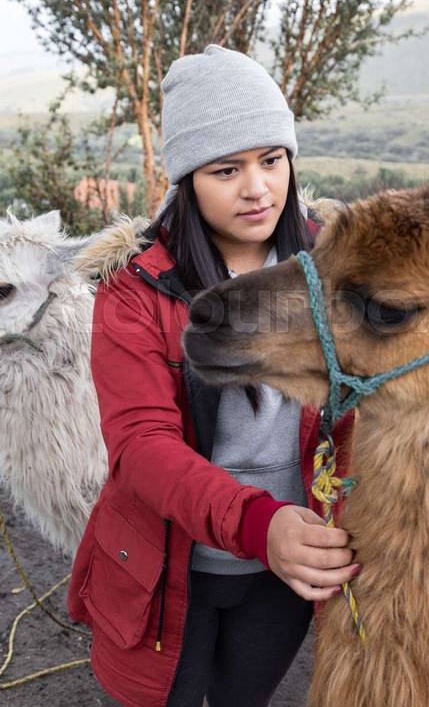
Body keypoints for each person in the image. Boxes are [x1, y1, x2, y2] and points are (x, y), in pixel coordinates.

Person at [67, 44, 359, 707]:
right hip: (167, 570)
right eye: (227, 168)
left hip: (280, 575)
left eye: (271, 159)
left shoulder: (335, 269)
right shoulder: (137, 289)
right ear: (188, 178)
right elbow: (142, 447)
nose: (257, 187)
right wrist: (262, 525)